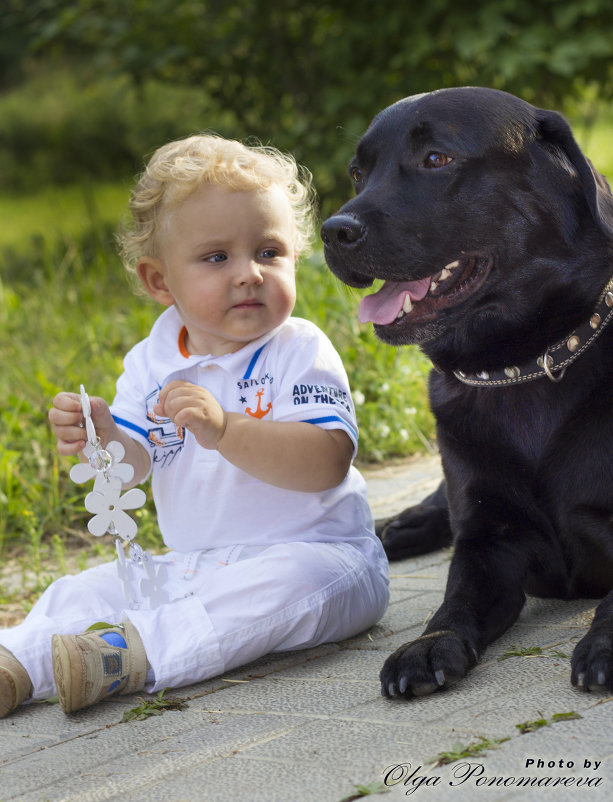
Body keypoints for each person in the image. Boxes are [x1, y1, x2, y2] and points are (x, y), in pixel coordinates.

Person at [0, 135, 389, 718]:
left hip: (322, 554)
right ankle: (18, 664)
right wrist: (101, 439)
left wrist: (226, 429)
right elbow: (133, 464)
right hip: (197, 563)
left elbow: (325, 462)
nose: (249, 274)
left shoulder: (298, 349)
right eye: (216, 258)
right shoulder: (150, 362)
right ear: (160, 282)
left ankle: (127, 654)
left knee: (288, 587)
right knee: (90, 587)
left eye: (269, 251)